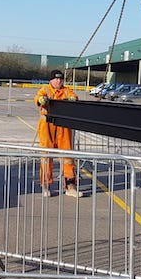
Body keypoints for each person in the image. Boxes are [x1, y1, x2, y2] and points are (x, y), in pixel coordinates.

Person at [34, 69, 81, 197]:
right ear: (51, 80)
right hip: (47, 126)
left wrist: (73, 99)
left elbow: (74, 96)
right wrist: (41, 100)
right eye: (56, 79)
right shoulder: (45, 89)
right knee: (46, 156)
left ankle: (70, 186)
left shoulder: (66, 90)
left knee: (67, 157)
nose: (58, 81)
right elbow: (37, 98)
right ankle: (45, 186)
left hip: (63, 127)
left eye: (60, 79)